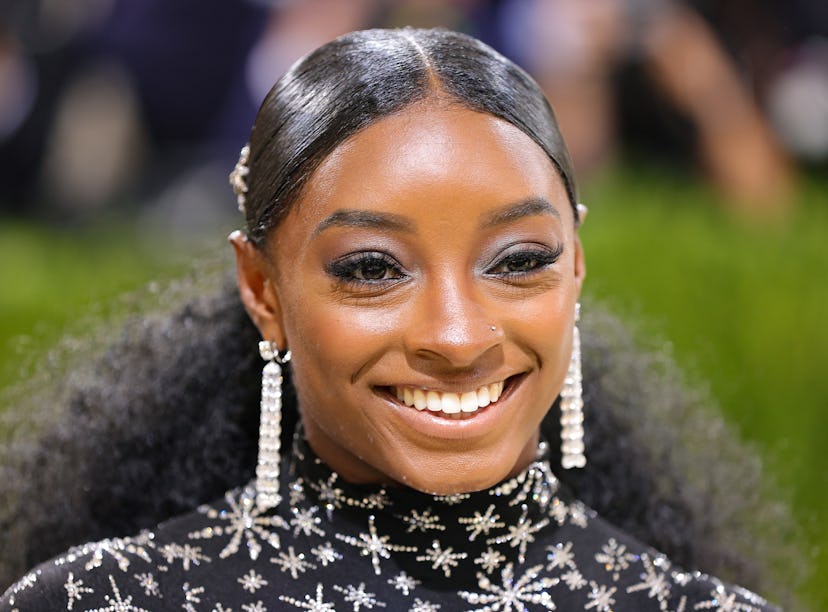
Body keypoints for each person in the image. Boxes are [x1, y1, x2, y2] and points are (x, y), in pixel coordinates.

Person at [0, 28, 795, 610]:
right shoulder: (97, 603)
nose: (455, 336)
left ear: (576, 268)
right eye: (372, 270)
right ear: (262, 290)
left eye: (518, 261)